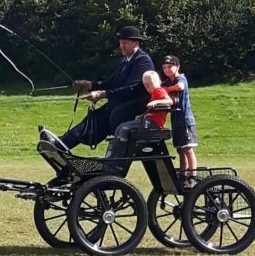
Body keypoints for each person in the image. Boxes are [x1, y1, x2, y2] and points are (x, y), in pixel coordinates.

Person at [40, 26, 155, 151]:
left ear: (135, 43)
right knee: (94, 117)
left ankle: (60, 145)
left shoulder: (142, 61)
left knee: (100, 117)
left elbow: (131, 89)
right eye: (121, 43)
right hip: (120, 104)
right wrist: (90, 85)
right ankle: (61, 143)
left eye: (125, 43)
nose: (122, 46)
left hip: (135, 107)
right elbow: (111, 82)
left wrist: (101, 94)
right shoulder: (125, 61)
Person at [105, 70, 172, 160]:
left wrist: (156, 102)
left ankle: (120, 156)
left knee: (124, 128)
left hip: (152, 124)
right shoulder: (154, 93)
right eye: (146, 84)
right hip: (147, 121)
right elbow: (153, 112)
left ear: (158, 82)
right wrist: (142, 116)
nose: (148, 86)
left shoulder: (158, 90)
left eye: (150, 83)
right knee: (120, 128)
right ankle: (115, 154)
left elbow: (169, 101)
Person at [161, 55, 198, 186]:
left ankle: (192, 175)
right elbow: (158, 89)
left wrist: (166, 90)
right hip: (175, 120)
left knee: (187, 148)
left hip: (185, 119)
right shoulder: (166, 82)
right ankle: (183, 174)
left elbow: (180, 87)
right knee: (180, 149)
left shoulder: (180, 78)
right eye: (165, 67)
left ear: (177, 67)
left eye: (170, 67)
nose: (167, 70)